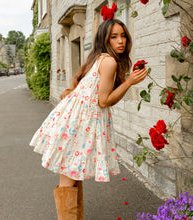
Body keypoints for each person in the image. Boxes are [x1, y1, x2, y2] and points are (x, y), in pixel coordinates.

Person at [29, 4, 147, 220]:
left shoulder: (98, 58)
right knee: (68, 179)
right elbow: (104, 101)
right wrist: (129, 82)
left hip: (74, 120)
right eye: (114, 37)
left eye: (123, 36)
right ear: (105, 39)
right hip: (80, 123)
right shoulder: (109, 61)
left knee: (73, 176)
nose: (120, 41)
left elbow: (83, 88)